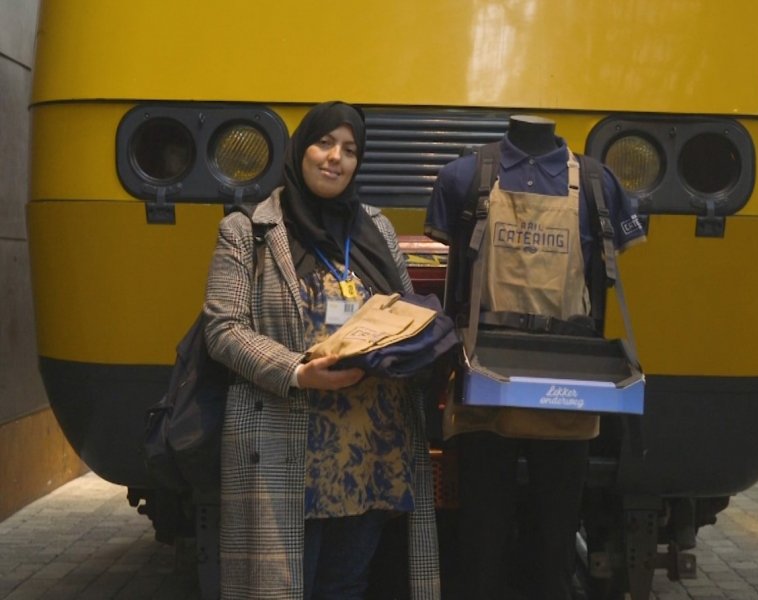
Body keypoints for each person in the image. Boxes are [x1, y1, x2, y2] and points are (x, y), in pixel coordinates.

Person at [204, 101, 440, 599]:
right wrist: (298, 371)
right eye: (324, 143)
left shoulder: (374, 227)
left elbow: (401, 309)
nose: (336, 158)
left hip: (370, 452)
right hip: (288, 445)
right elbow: (223, 329)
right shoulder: (248, 231)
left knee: (346, 584)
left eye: (350, 150)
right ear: (300, 149)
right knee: (290, 587)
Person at [424, 115, 646, 599]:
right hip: (486, 376)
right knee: (480, 531)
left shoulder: (596, 182)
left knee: (556, 534)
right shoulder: (463, 176)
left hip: (569, 380)